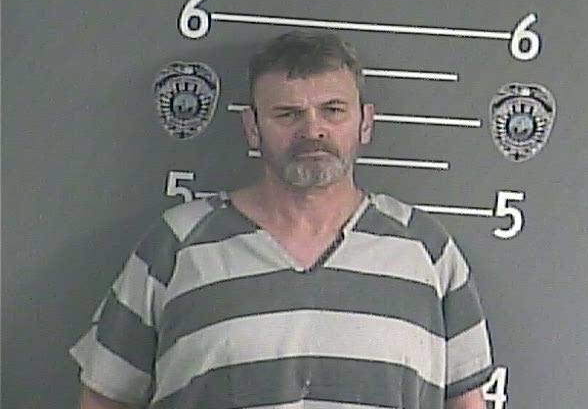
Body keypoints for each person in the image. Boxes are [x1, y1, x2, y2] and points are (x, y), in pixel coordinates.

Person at [70, 31, 495, 409]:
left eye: (333, 110)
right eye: (287, 114)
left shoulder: (426, 251)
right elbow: (105, 397)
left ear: (365, 123)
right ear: (253, 127)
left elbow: (467, 403)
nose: (313, 131)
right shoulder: (177, 245)